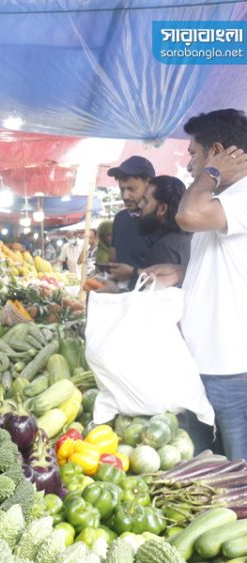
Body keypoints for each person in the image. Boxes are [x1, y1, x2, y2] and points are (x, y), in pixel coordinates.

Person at [145, 109, 247, 461]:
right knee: (201, 472)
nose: (189, 165)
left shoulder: (241, 196)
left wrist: (211, 172)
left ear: (216, 150)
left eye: (193, 154)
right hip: (200, 365)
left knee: (239, 474)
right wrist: (181, 272)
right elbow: (228, 264)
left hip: (234, 371)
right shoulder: (220, 203)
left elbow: (186, 217)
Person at [106, 175, 191, 286]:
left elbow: (151, 296)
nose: (140, 205)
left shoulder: (165, 247)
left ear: (162, 209)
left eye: (145, 201)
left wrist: (116, 290)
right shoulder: (187, 237)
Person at [107, 156, 155, 269]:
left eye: (131, 189)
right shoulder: (120, 218)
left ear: (149, 185)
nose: (125, 196)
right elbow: (113, 258)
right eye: (122, 190)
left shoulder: (162, 221)